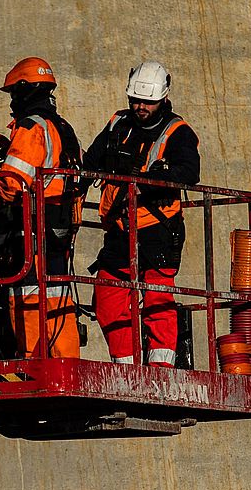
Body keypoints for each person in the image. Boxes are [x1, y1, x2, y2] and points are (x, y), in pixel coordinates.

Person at [83, 60, 200, 365]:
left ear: (162, 98)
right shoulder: (117, 124)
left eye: (147, 101)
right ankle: (126, 368)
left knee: (158, 301)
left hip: (158, 229)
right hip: (121, 228)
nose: (140, 107)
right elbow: (92, 160)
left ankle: (160, 368)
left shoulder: (178, 132)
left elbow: (189, 171)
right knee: (109, 297)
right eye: (136, 100)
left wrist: (146, 184)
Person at [0, 57, 83, 358]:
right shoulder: (62, 128)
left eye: (13, 95)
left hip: (31, 231)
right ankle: (65, 362)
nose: (11, 103)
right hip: (56, 231)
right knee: (58, 300)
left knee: (29, 297)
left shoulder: (31, 128)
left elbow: (12, 183)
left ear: (24, 91)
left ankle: (33, 362)